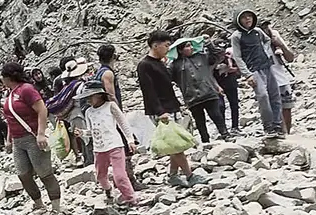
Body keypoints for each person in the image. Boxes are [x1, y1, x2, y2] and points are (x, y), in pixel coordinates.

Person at [137, 30, 207, 188]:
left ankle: (173, 175)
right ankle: (189, 175)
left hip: (170, 106)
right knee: (175, 144)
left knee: (174, 144)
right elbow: (148, 91)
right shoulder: (144, 65)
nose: (169, 48)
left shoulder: (160, 62)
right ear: (155, 45)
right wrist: (160, 111)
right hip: (161, 110)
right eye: (166, 45)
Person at [1, 62, 62, 212]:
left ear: (9, 77)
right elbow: (10, 119)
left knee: (44, 172)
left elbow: (42, 110)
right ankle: (39, 203)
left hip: (32, 137)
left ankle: (56, 205)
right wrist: (9, 140)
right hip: (17, 140)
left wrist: (41, 133)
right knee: (23, 174)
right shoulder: (10, 94)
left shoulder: (26, 90)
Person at [75, 80, 137, 205]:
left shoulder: (111, 106)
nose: (88, 100)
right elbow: (93, 131)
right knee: (100, 176)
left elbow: (123, 123)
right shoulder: (89, 112)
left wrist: (130, 140)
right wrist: (82, 133)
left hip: (114, 145)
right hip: (99, 148)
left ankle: (131, 198)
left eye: (90, 97)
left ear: (98, 95)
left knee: (119, 176)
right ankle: (108, 190)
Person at [95, 44, 144, 190]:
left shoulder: (98, 72)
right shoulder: (107, 73)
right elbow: (111, 95)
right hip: (111, 114)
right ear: (113, 56)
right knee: (125, 146)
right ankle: (129, 180)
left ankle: (123, 179)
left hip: (103, 115)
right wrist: (118, 113)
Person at [231, 9, 284, 138]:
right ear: (239, 20)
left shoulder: (258, 31)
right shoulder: (236, 36)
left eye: (249, 16)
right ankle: (268, 127)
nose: (248, 19)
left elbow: (267, 40)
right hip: (253, 69)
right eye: (244, 17)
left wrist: (266, 52)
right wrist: (247, 75)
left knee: (275, 95)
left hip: (267, 66)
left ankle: (277, 125)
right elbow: (237, 57)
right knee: (263, 96)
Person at [168, 37, 231, 144]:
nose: (191, 47)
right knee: (199, 120)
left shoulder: (202, 57)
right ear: (180, 50)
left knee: (216, 115)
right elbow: (167, 77)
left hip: (208, 92)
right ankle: (205, 141)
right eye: (187, 46)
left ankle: (225, 134)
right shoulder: (175, 65)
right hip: (191, 97)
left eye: (191, 45)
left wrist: (209, 44)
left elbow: (218, 55)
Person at [46, 57, 91, 165]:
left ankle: (85, 159)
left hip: (71, 115)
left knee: (80, 137)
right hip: (78, 114)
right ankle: (89, 161)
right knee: (86, 139)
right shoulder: (78, 85)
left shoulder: (68, 86)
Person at [260, 20, 297, 133]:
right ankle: (279, 133)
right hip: (265, 81)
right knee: (273, 111)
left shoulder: (275, 36)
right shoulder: (252, 41)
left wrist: (279, 44)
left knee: (286, 108)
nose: (266, 30)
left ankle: (287, 134)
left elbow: (290, 58)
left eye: (266, 27)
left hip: (281, 79)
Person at [211, 40, 242, 135]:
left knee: (234, 104)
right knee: (220, 106)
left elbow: (240, 69)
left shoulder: (231, 56)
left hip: (231, 82)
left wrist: (231, 69)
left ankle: (235, 126)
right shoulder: (211, 60)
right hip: (217, 84)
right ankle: (222, 128)